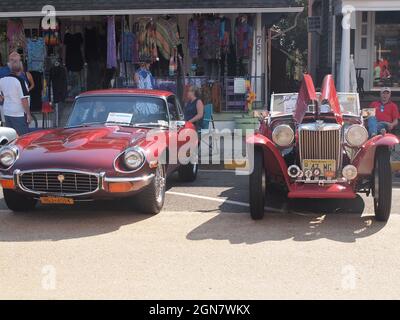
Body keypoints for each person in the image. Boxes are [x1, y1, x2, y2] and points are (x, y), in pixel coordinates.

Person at [0, 61, 32, 135]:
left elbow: (1, 98)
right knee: (23, 138)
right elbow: (24, 100)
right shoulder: (21, 81)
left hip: (7, 112)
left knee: (12, 138)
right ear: (21, 69)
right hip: (18, 114)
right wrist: (28, 114)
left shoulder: (2, 80)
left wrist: (2, 98)